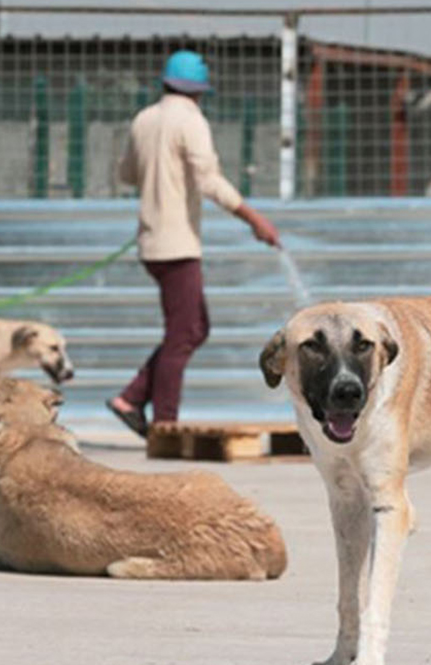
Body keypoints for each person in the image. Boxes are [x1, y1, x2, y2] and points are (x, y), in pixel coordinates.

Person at [108, 50, 281, 436]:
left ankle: (132, 397)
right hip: (177, 244)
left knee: (194, 327)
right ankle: (163, 423)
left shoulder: (145, 118)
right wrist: (255, 219)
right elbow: (209, 182)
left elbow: (127, 174)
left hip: (152, 243)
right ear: (199, 90)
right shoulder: (190, 120)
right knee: (184, 333)